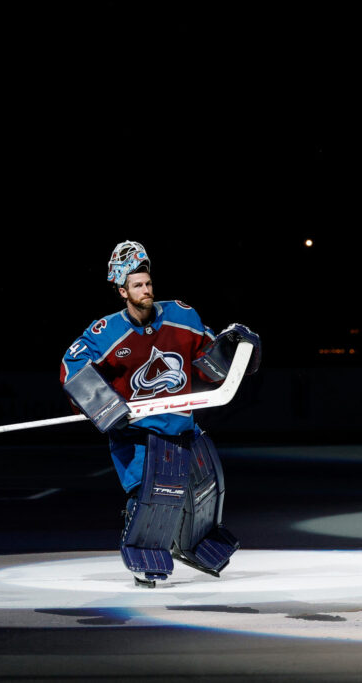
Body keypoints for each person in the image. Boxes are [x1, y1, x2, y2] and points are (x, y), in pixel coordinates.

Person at [59, 241, 260, 587]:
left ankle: (195, 543)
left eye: (148, 282)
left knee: (205, 489)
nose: (146, 289)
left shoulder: (183, 316)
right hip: (137, 434)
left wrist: (233, 350)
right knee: (154, 494)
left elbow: (209, 363)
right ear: (122, 291)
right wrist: (103, 405)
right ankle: (144, 551)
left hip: (182, 425)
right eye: (137, 285)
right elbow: (71, 365)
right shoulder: (105, 332)